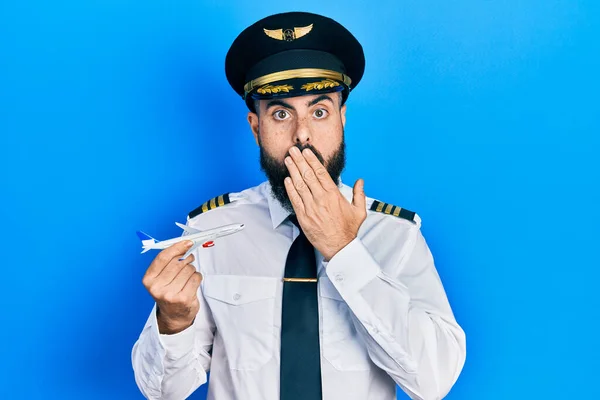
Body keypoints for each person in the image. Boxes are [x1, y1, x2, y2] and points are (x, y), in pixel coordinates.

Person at [131, 11, 466, 400]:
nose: (302, 134)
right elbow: (161, 392)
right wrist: (173, 321)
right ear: (256, 128)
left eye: (319, 112)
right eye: (280, 114)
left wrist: (344, 249)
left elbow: (433, 381)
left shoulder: (396, 234)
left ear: (342, 118)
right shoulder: (210, 231)